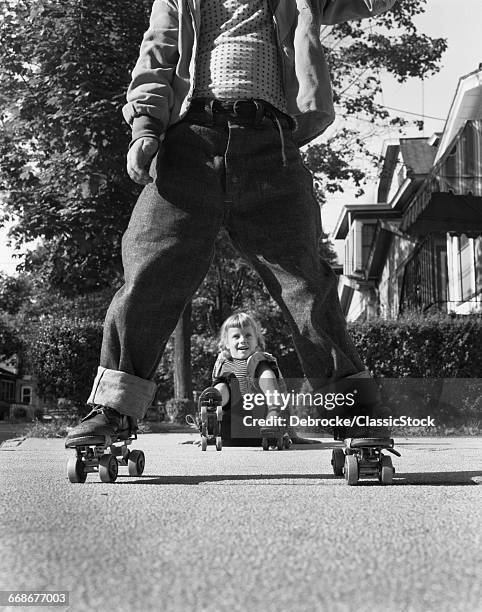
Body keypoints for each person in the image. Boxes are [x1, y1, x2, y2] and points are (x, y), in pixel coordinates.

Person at [65, 0, 398, 450]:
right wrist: (145, 127)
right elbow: (158, 51)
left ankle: (355, 415)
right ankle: (113, 407)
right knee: (148, 271)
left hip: (271, 145)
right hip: (189, 141)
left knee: (306, 284)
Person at [210, 311, 290, 446]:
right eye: (236, 336)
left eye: (248, 335)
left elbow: (282, 394)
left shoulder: (260, 361)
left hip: (261, 426)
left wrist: (291, 433)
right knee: (223, 382)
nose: (242, 340)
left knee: (262, 364)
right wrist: (207, 434)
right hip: (229, 429)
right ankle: (210, 415)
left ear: (256, 341)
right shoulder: (222, 364)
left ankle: (274, 410)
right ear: (226, 343)